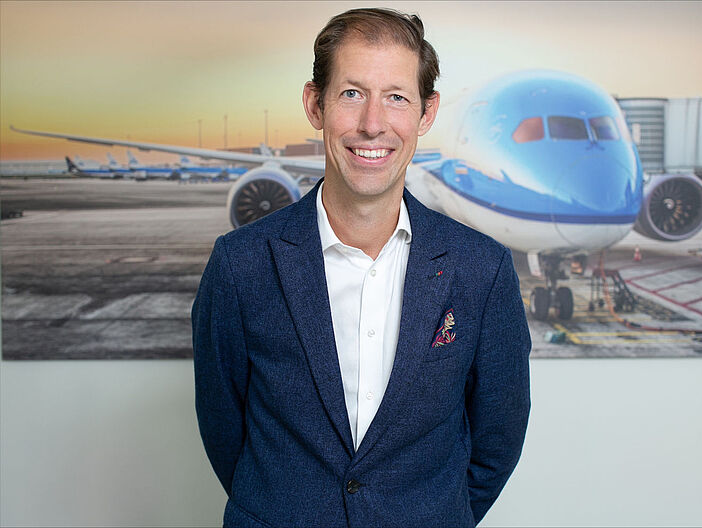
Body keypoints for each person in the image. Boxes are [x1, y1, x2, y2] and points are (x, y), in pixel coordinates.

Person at [192, 8, 531, 527]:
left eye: (396, 97)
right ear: (315, 104)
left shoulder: (480, 271)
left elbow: (497, 440)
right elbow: (223, 429)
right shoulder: (240, 265)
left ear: (426, 112)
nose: (373, 123)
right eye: (352, 93)